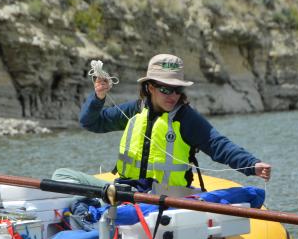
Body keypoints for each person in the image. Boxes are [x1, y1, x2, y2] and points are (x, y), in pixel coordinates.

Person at [53, 54, 271, 195]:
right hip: (127, 191)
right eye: (166, 89)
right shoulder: (134, 110)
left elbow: (218, 144)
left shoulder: (186, 118)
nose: (173, 95)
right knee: (61, 174)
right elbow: (91, 122)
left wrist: (252, 164)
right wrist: (98, 97)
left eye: (178, 90)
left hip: (167, 199)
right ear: (150, 87)